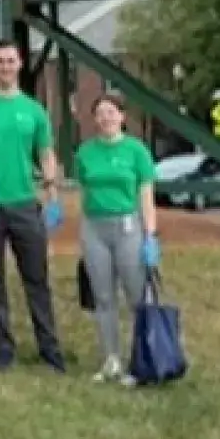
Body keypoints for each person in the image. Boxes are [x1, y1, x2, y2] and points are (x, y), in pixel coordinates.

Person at [0, 39, 65, 372]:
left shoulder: (33, 111)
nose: (5, 67)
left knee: (36, 278)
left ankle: (49, 348)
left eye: (11, 61)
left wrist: (52, 195)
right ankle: (3, 347)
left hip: (24, 204)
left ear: (20, 64)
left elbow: (46, 153)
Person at [73, 94, 161, 385]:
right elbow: (83, 190)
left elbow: (145, 196)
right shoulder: (85, 153)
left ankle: (142, 360)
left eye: (111, 112)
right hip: (94, 226)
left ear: (122, 116)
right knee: (103, 296)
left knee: (137, 296)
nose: (106, 118)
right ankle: (110, 357)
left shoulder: (137, 152)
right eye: (100, 113)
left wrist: (150, 235)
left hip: (127, 225)